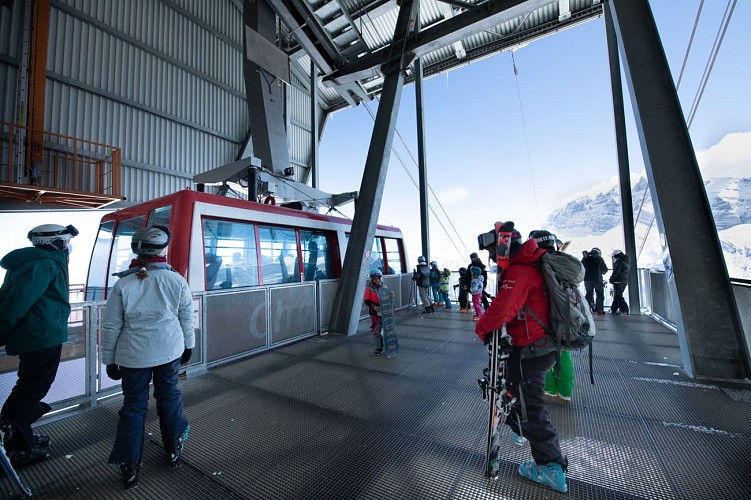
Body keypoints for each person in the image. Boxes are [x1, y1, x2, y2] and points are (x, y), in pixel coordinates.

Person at [475, 223, 568, 494]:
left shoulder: (521, 270)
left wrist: (481, 328)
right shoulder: (532, 263)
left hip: (530, 350)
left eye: (493, 250)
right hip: (540, 346)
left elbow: (503, 310)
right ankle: (521, 427)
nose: (492, 257)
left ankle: (551, 467)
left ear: (503, 244)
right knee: (521, 398)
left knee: (532, 409)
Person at [101, 225, 195, 490]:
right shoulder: (176, 280)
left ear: (136, 250)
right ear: (163, 250)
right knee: (169, 395)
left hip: (132, 357)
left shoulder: (124, 283)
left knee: (133, 406)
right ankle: (173, 449)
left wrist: (109, 359)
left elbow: (111, 326)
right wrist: (189, 345)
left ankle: (129, 465)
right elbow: (187, 316)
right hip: (169, 351)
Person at [0, 224, 78, 466]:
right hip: (41, 337)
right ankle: (17, 442)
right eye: (65, 241)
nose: (67, 245)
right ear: (53, 243)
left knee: (30, 386)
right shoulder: (42, 265)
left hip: (39, 335)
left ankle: (20, 434)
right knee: (32, 389)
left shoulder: (39, 262)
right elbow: (17, 303)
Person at [528, 230, 575, 402]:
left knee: (543, 353)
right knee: (564, 354)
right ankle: (565, 391)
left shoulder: (537, 264)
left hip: (543, 317)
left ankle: (549, 388)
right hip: (565, 315)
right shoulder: (563, 263)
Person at [363, 269, 387, 355]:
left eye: (377, 278)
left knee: (386, 329)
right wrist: (374, 306)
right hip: (374, 312)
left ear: (381, 278)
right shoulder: (369, 288)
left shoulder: (384, 287)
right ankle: (378, 348)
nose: (376, 280)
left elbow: (387, 299)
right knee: (376, 330)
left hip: (384, 311)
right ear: (371, 279)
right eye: (374, 279)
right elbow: (366, 300)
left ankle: (388, 345)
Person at [582, 247, 608, 317]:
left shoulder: (586, 258)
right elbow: (605, 270)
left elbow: (581, 267)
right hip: (597, 279)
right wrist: (600, 272)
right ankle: (599, 311)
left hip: (587, 279)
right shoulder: (599, 259)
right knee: (599, 295)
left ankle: (586, 310)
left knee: (589, 294)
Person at [610, 249, 631, 315]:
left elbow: (616, 272)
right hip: (624, 280)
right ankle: (614, 309)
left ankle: (624, 310)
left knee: (618, 296)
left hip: (618, 281)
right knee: (617, 296)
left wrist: (611, 279)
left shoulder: (619, 262)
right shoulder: (627, 260)